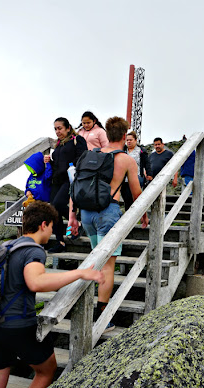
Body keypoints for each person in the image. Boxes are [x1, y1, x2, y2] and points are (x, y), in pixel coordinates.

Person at [0, 201, 104, 388]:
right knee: (46, 370)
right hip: (19, 326)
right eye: (52, 228)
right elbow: (36, 282)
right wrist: (79, 273)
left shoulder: (8, 246)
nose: (51, 233)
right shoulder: (33, 250)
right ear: (44, 224)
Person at [70, 117, 148, 332]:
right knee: (107, 265)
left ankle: (86, 308)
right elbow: (136, 192)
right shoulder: (126, 160)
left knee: (96, 260)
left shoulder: (90, 155)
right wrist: (143, 214)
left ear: (107, 134)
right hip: (108, 213)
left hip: (86, 214)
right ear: (124, 136)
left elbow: (75, 185)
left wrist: (72, 216)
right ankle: (102, 318)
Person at [48, 117, 87, 253]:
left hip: (70, 179)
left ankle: (78, 223)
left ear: (68, 128)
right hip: (57, 180)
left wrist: (72, 166)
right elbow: (57, 165)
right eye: (55, 129)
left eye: (60, 128)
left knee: (58, 204)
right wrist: (49, 161)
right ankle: (60, 242)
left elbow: (83, 156)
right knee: (53, 210)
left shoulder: (77, 140)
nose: (57, 131)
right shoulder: (58, 144)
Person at [122, 131, 151, 210]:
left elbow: (147, 163)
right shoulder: (123, 150)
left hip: (136, 177)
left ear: (135, 140)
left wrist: (149, 174)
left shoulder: (141, 151)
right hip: (124, 179)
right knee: (126, 198)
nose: (129, 142)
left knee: (132, 198)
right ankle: (127, 216)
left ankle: (132, 216)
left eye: (130, 140)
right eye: (127, 140)